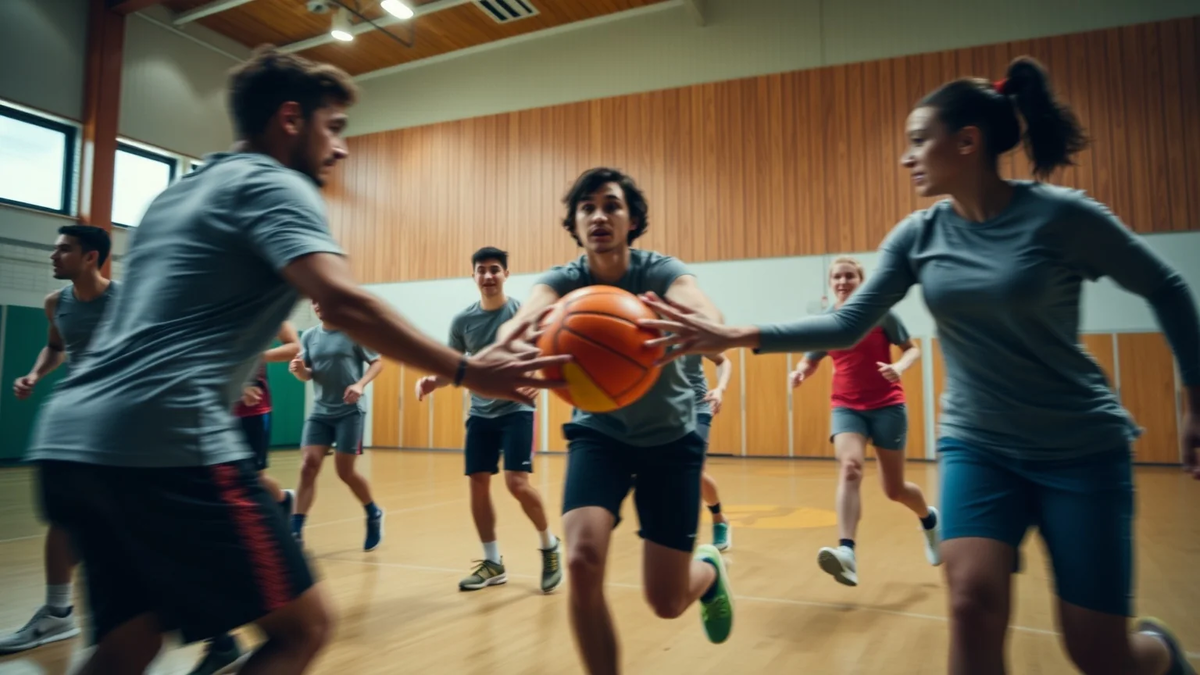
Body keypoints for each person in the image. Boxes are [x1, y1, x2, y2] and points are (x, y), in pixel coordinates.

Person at [639, 56, 1199, 675]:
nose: (906, 157)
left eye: (917, 142)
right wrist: (738, 333)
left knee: (1097, 652)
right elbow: (848, 323)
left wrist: (1194, 402)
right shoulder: (916, 235)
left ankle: (1161, 658)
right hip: (979, 445)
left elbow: (1168, 287)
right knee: (970, 604)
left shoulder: (1061, 217)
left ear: (967, 142)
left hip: (1080, 448)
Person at [23, 46, 566, 675]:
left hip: (70, 440)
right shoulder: (275, 181)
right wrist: (468, 371)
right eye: (333, 128)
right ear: (289, 119)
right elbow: (342, 299)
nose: (341, 148)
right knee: (303, 629)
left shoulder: (178, 194)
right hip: (166, 441)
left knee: (131, 638)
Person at [497, 167, 734, 675]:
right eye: (587, 208)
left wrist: (700, 325)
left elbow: (702, 308)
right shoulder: (565, 281)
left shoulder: (660, 272)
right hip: (599, 434)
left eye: (611, 205)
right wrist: (509, 348)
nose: (599, 215)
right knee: (582, 561)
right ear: (575, 224)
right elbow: (527, 314)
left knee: (666, 601)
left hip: (671, 439)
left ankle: (708, 573)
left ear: (632, 221)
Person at [416, 246, 563, 593]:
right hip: (480, 412)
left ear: (506, 274)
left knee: (517, 483)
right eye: (481, 270)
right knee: (477, 483)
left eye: (495, 269)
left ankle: (549, 546)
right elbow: (453, 366)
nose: (488, 276)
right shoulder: (462, 321)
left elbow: (546, 351)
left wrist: (537, 381)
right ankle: (493, 562)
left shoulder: (522, 314)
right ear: (474, 276)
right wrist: (431, 381)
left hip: (517, 409)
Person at [786, 256, 939, 587]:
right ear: (831, 283)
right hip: (846, 406)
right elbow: (810, 360)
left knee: (894, 489)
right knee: (850, 467)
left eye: (849, 276)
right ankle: (847, 553)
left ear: (860, 279)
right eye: (837, 277)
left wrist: (899, 368)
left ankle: (929, 519)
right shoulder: (827, 322)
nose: (843, 282)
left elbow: (911, 349)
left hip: (888, 406)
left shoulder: (880, 313)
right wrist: (800, 371)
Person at [1, 225, 116, 656]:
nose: (53, 256)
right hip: (75, 415)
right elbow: (56, 348)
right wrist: (35, 372)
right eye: (53, 248)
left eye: (63, 250)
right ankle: (57, 613)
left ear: (90, 257)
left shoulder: (125, 300)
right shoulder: (56, 303)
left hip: (122, 421)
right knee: (65, 510)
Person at [188, 321, 302, 675]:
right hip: (212, 413)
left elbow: (295, 346)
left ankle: (225, 638)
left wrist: (255, 358)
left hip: (252, 412)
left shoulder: (263, 305)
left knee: (244, 483)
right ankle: (221, 640)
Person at [288, 302, 385, 550]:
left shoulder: (353, 332)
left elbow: (377, 362)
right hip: (320, 412)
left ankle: (373, 513)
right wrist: (299, 370)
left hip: (349, 412)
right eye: (315, 302)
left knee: (345, 472)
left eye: (324, 300)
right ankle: (296, 532)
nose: (319, 306)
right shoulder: (309, 336)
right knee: (308, 465)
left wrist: (360, 385)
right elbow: (308, 375)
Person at [682, 353, 734, 551]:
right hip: (663, 411)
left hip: (697, 408)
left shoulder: (690, 328)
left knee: (694, 471)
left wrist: (720, 389)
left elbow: (723, 360)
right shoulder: (643, 329)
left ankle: (718, 518)